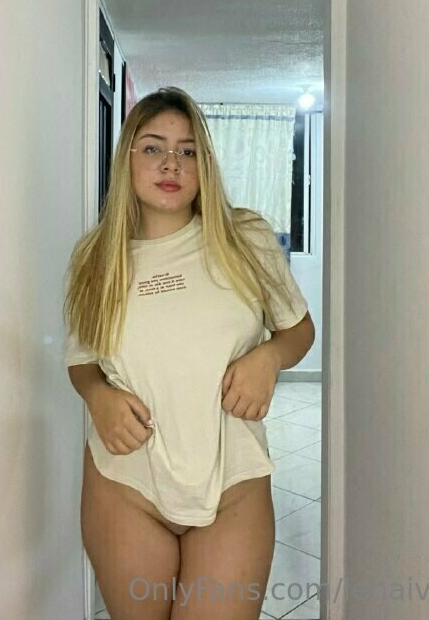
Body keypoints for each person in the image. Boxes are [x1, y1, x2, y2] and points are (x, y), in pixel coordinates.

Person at [63, 86, 315, 620]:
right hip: (126, 481)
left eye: (188, 150)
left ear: (205, 163)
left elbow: (299, 332)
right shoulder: (95, 257)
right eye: (153, 147)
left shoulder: (246, 238)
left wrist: (269, 358)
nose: (171, 164)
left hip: (233, 481)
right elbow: (81, 360)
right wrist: (97, 396)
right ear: (128, 158)